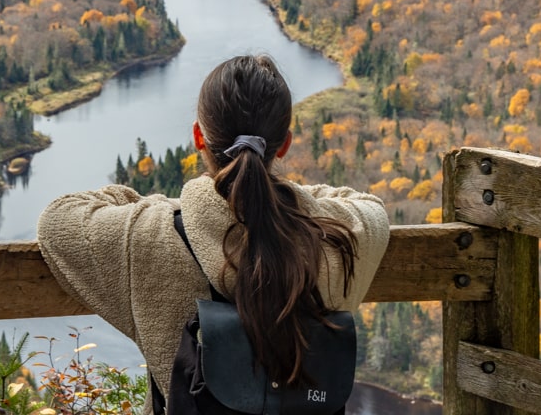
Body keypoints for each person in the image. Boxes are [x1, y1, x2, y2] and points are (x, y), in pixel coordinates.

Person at [37, 54, 390, 411]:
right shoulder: (343, 237)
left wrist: (156, 204)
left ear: (198, 137)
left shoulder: (149, 234)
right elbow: (366, 205)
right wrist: (289, 200)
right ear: (284, 144)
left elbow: (59, 221)